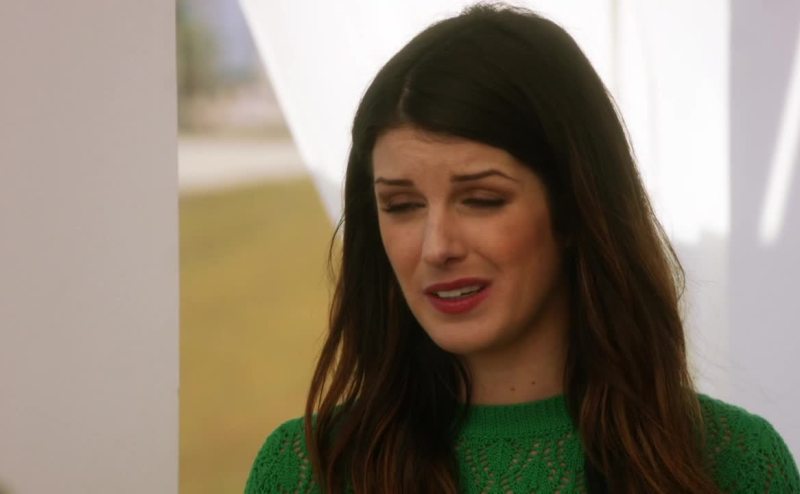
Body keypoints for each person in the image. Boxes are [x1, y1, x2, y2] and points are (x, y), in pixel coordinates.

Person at [245, 3, 800, 493]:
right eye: (402, 205)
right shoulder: (307, 471)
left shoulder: (732, 465)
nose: (437, 247)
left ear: (575, 207)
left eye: (481, 200)